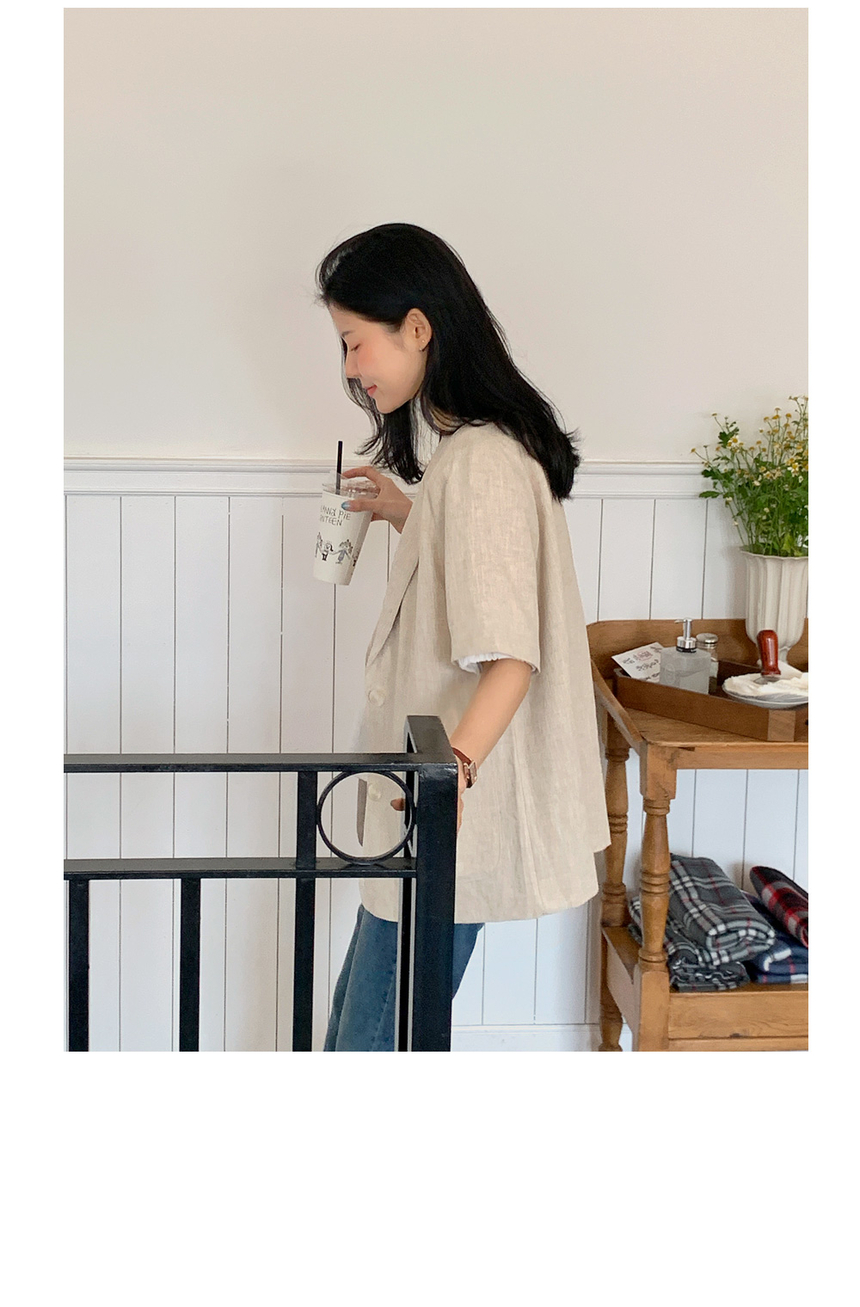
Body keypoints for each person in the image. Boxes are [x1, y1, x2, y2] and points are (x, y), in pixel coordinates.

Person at [315, 223, 610, 1051]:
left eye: (355, 341)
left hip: (441, 812)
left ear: (417, 327)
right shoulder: (473, 452)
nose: (350, 368)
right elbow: (478, 572)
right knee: (366, 1028)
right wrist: (408, 513)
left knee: (368, 1045)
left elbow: (512, 657)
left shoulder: (480, 461)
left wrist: (449, 776)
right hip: (433, 811)